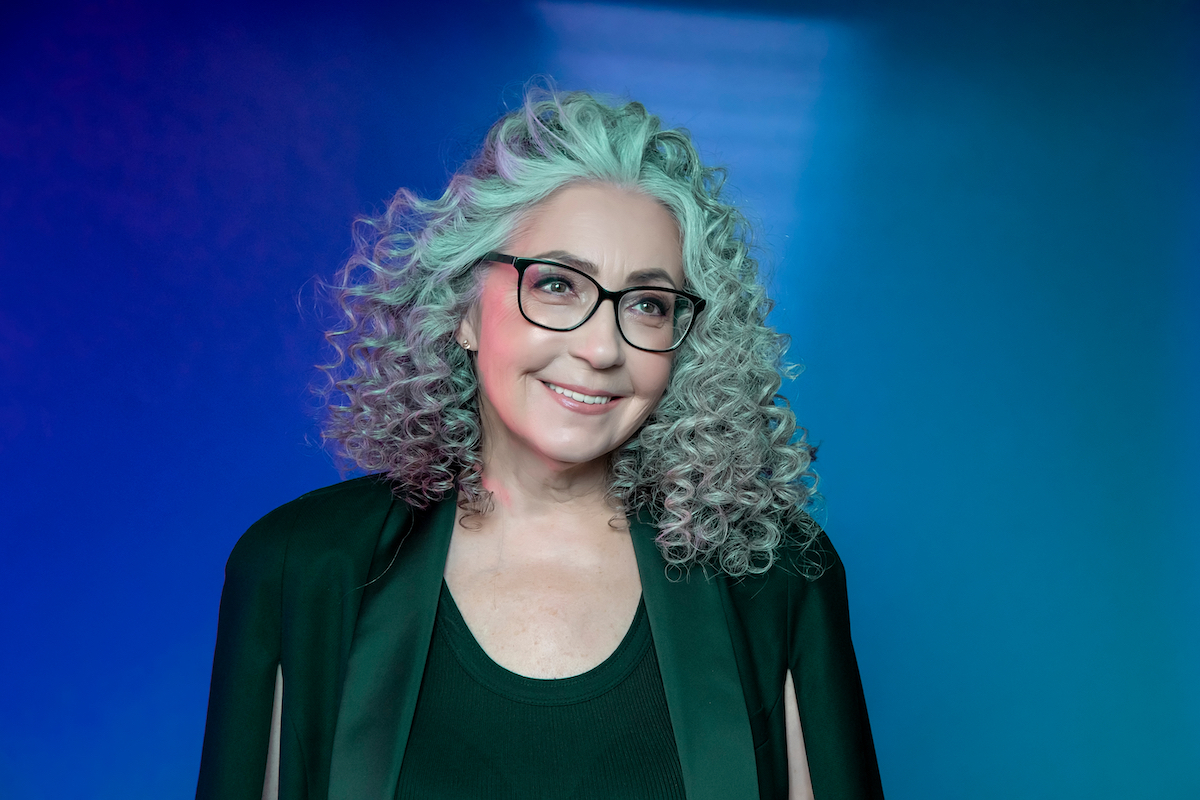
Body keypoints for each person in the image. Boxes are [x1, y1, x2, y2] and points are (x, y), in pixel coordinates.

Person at [196, 88, 884, 800]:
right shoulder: (298, 568)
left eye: (648, 304)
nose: (600, 347)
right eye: (557, 284)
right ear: (463, 310)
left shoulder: (777, 578)